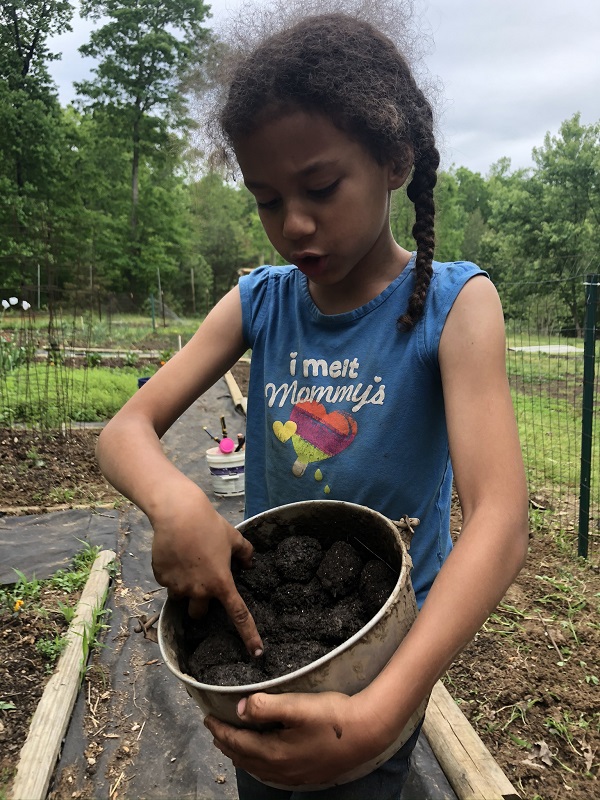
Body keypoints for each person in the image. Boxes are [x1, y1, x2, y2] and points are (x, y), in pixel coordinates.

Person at [96, 10, 529, 799]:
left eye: (320, 187)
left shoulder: (456, 307)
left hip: (383, 647)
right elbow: (125, 429)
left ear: (394, 158)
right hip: (269, 629)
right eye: (266, 199)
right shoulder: (260, 302)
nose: (292, 223)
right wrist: (172, 500)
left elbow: (499, 519)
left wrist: (383, 710)